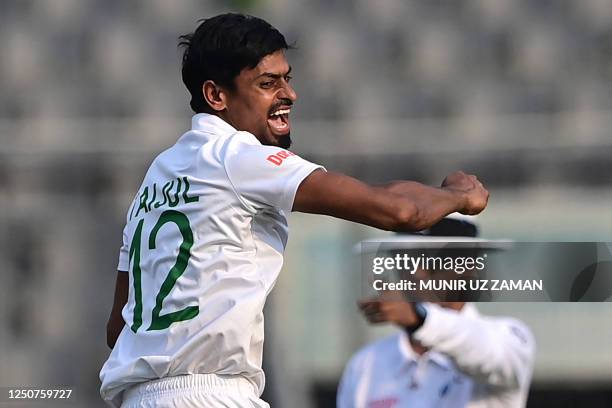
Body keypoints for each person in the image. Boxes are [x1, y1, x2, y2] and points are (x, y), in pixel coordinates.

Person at [99, 13, 489, 408]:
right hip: (212, 394)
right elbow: (398, 210)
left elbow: (119, 326)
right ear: (217, 95)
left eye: (287, 78)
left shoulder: (158, 175)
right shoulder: (237, 157)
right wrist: (459, 197)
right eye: (267, 83)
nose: (289, 94)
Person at [337, 219, 535, 408]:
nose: (413, 272)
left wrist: (420, 318)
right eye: (402, 258)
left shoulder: (509, 337)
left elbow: (486, 351)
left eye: (427, 258)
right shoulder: (366, 363)